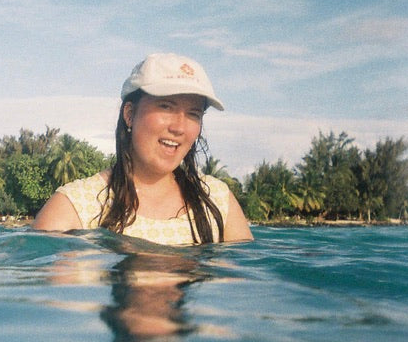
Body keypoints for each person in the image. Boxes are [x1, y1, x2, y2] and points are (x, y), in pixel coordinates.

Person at [33, 53, 253, 245]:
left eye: (193, 114)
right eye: (165, 107)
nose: (178, 127)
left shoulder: (217, 202)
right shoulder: (75, 207)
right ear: (129, 114)